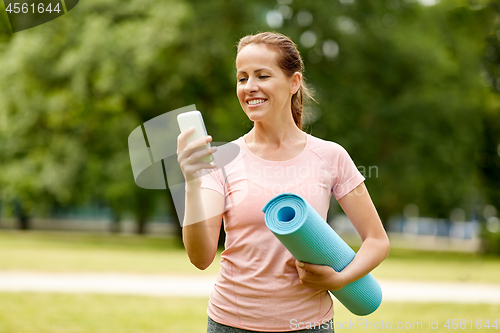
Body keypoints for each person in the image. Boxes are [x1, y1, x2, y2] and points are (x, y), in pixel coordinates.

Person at [176, 32, 390, 333]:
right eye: (242, 78)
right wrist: (191, 182)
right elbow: (200, 258)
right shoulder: (220, 160)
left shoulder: (330, 156)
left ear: (294, 82)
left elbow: (377, 241)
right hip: (231, 324)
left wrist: (339, 279)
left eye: (262, 75)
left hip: (308, 324)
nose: (250, 87)